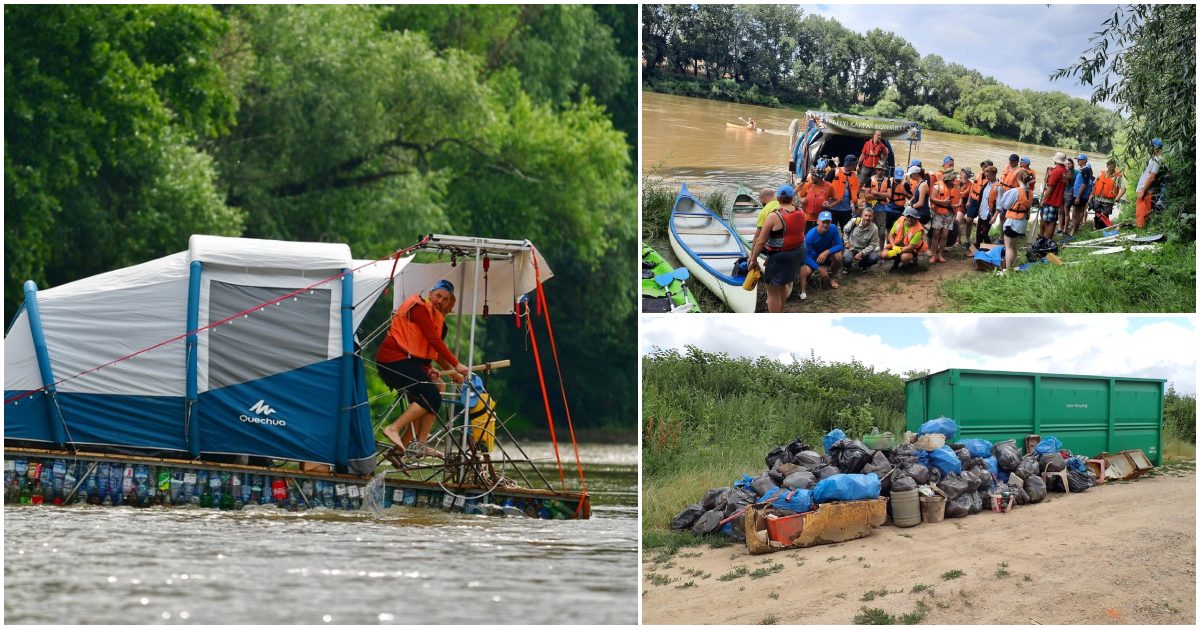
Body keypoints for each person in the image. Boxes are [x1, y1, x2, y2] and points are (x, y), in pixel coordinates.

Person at [376, 280, 469, 459]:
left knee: (437, 388)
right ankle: (394, 428)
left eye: (446, 300)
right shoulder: (419, 308)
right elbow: (433, 340)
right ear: (430, 294)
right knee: (431, 395)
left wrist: (429, 368)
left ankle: (407, 447)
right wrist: (456, 365)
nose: (441, 302)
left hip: (406, 361)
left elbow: (425, 350)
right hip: (392, 360)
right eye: (438, 296)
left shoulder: (438, 322)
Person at [748, 185, 807, 313]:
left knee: (773, 293)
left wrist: (753, 259)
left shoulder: (774, 216)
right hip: (796, 254)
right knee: (783, 286)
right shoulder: (801, 212)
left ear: (778, 198)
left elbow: (760, 241)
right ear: (792, 198)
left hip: (779, 257)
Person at [799, 211, 843, 298]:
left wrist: (827, 252)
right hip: (813, 258)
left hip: (826, 256)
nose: (825, 225)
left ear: (831, 222)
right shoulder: (810, 235)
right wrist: (819, 269)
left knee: (838, 256)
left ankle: (830, 278)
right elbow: (806, 257)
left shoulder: (833, 228)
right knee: (805, 271)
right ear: (818, 221)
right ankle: (805, 282)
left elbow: (839, 245)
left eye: (828, 222)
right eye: (823, 222)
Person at [996, 170, 1033, 271]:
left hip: (1013, 222)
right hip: (1022, 223)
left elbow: (1005, 205)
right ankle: (1012, 265)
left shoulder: (1015, 191)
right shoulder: (1030, 192)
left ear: (1018, 179)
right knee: (1013, 245)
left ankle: (1008, 269)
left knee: (1008, 246)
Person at [928, 170, 957, 263]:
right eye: (953, 178)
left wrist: (958, 205)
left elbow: (959, 198)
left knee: (945, 235)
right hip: (938, 213)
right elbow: (932, 198)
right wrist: (942, 202)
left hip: (950, 214)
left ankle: (940, 254)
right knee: (936, 234)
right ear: (949, 179)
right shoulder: (937, 186)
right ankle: (934, 255)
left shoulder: (956, 187)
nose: (955, 180)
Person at [841, 206, 881, 273]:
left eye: (869, 216)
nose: (867, 218)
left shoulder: (874, 229)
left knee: (874, 258)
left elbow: (873, 245)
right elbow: (845, 230)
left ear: (872, 217)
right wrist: (846, 242)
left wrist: (862, 253)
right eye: (865, 215)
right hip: (851, 247)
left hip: (864, 249)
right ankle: (847, 266)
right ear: (862, 215)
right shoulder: (855, 221)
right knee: (847, 259)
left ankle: (862, 265)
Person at [1040, 152, 1069, 239]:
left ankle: (1047, 239)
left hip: (1050, 200)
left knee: (1047, 221)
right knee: (1052, 221)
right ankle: (1049, 239)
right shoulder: (1065, 171)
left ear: (1056, 160)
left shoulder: (1056, 171)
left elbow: (1050, 188)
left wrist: (1043, 199)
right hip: (1058, 200)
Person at [1135, 138, 1164, 228]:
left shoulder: (1157, 160)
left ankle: (1141, 232)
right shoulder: (1153, 159)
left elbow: (1152, 177)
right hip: (1146, 191)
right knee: (1145, 215)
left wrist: (1143, 191)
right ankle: (1144, 231)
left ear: (1155, 148)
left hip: (1147, 192)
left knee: (1142, 215)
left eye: (1150, 146)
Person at [1091, 158, 1125, 228]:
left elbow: (1123, 188)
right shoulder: (1101, 173)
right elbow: (1095, 184)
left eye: (1113, 165)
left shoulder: (1118, 176)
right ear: (1107, 165)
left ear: (1115, 166)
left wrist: (1118, 197)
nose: (1111, 167)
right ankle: (1096, 227)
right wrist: (1092, 195)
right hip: (1097, 198)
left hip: (1108, 200)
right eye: (1109, 165)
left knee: (1105, 215)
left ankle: (1103, 228)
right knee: (1097, 213)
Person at [829, 154, 860, 227]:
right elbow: (825, 186)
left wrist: (856, 207)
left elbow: (855, 192)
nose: (855, 166)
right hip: (833, 207)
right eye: (854, 164)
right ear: (849, 164)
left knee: (847, 229)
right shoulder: (834, 171)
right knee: (831, 229)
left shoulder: (855, 175)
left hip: (846, 209)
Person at [974, 165, 1000, 249]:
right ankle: (978, 250)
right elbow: (983, 198)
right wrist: (979, 209)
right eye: (986, 175)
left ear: (994, 175)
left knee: (984, 233)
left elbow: (999, 204)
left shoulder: (998, 186)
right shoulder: (987, 183)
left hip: (989, 214)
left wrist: (994, 217)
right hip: (982, 212)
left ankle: (990, 250)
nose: (987, 177)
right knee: (978, 233)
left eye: (988, 175)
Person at [1069, 162, 1095, 235]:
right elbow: (1078, 183)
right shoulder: (1082, 174)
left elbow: (1091, 188)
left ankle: (1076, 227)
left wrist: (1089, 197)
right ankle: (1075, 226)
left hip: (1084, 196)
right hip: (1080, 195)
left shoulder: (1092, 178)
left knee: (1080, 211)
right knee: (1076, 211)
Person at [959, 167, 978, 251]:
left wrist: (956, 192)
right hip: (957, 202)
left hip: (964, 203)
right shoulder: (958, 182)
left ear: (967, 175)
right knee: (957, 222)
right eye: (960, 173)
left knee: (958, 221)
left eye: (962, 173)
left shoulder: (970, 184)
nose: (960, 174)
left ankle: (960, 240)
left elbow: (965, 194)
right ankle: (958, 240)